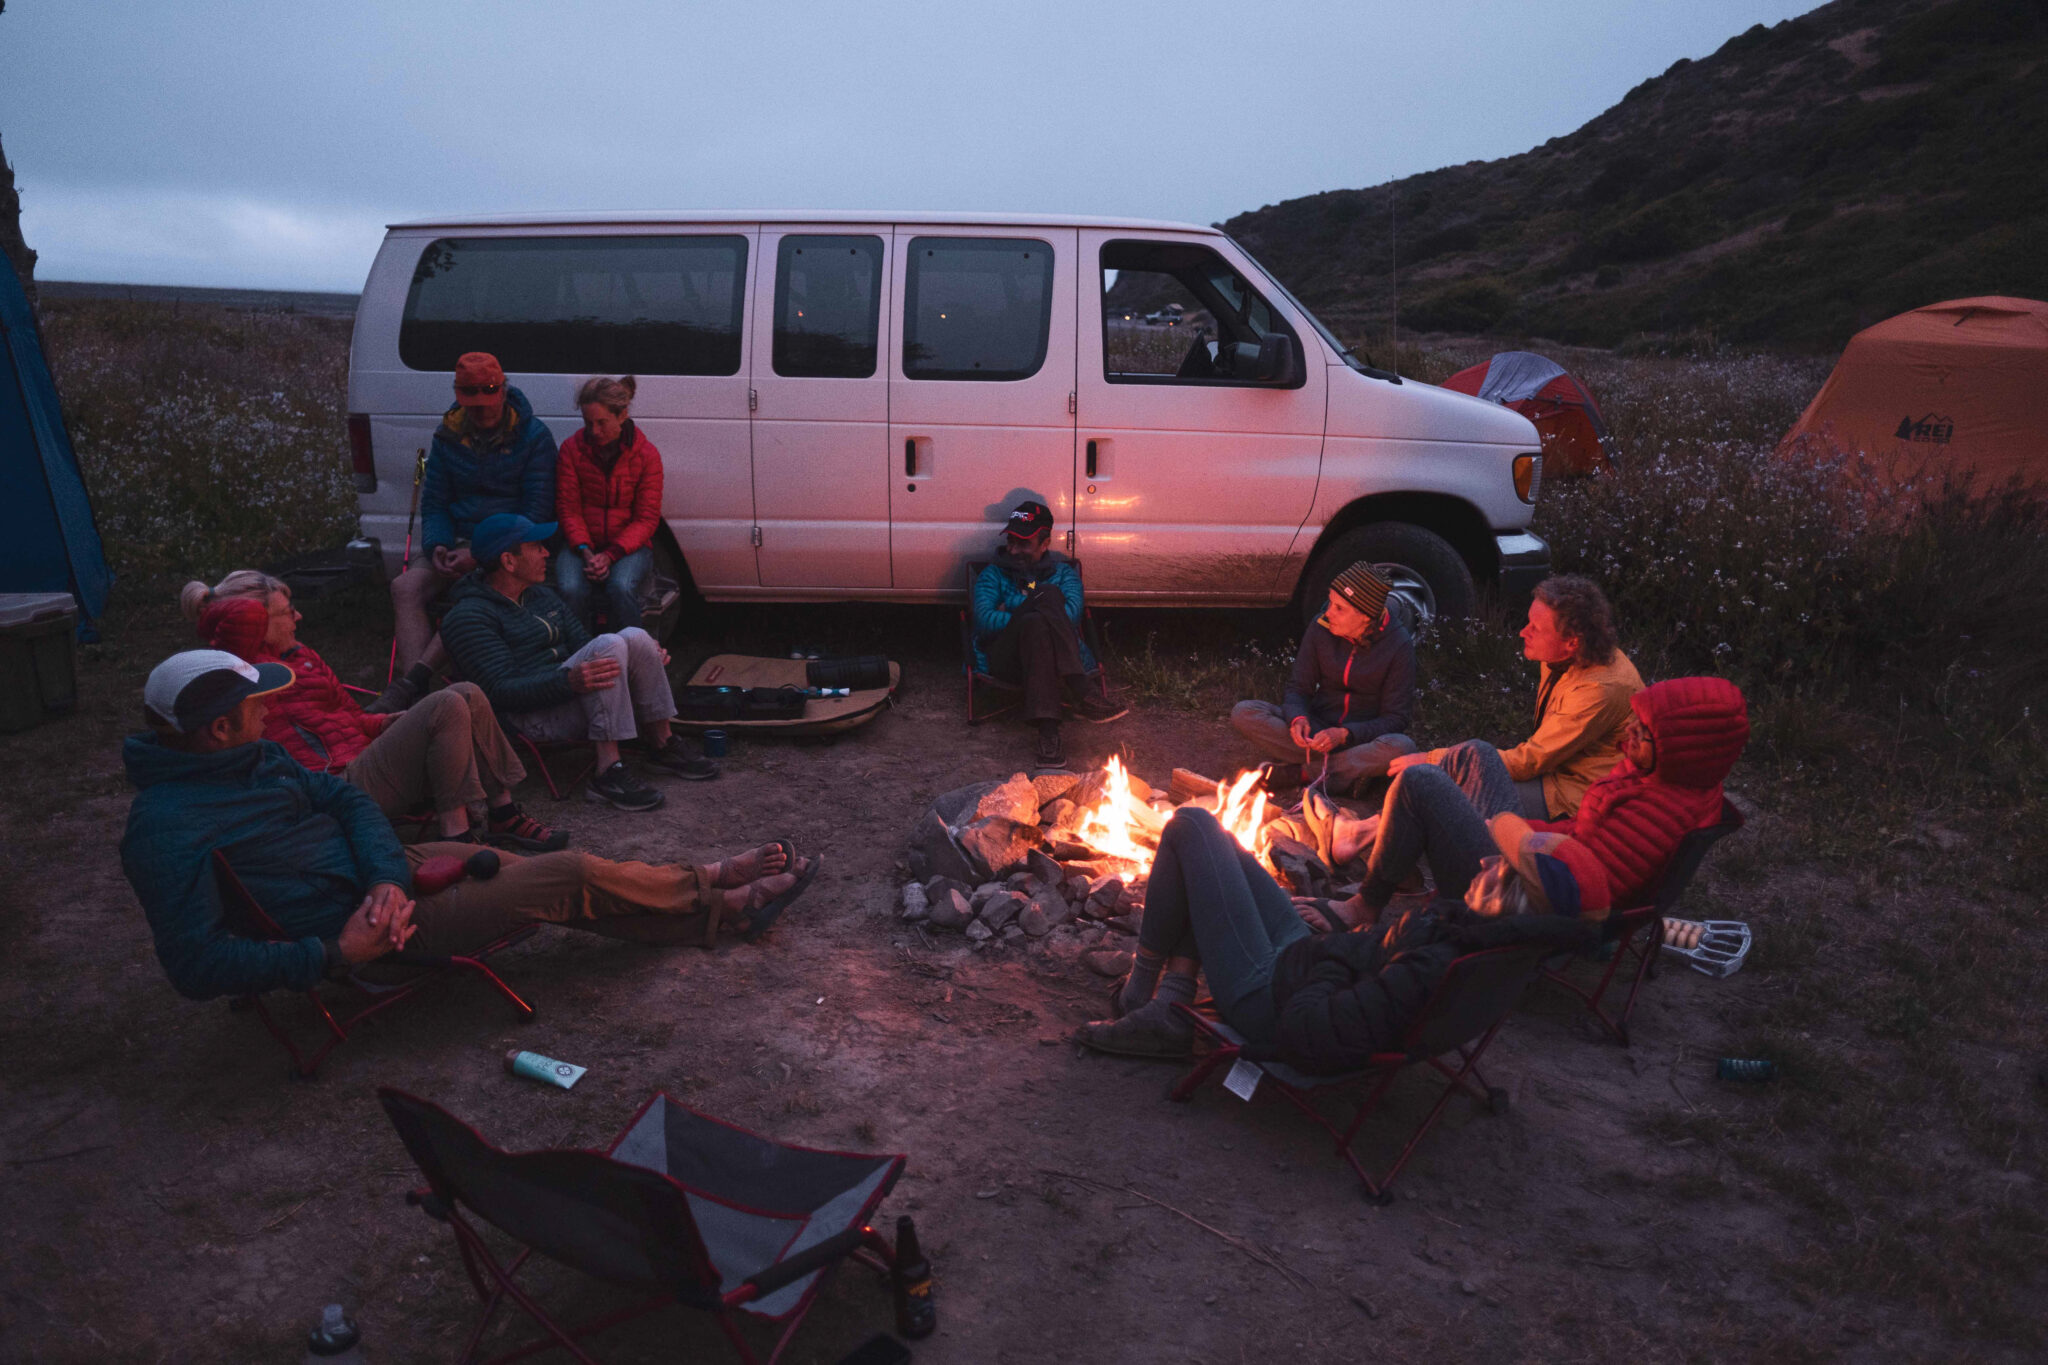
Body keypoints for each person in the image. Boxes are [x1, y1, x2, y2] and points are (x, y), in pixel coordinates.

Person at [120, 651, 819, 1003]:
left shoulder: (255, 758)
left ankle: (719, 909)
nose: (268, 714)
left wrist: (387, 877)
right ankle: (712, 887)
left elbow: (348, 804)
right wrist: (334, 952)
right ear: (216, 728)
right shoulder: (164, 828)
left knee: (529, 873)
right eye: (254, 706)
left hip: (385, 876)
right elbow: (195, 964)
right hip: (363, 933)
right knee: (569, 875)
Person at [1073, 805, 1595, 1063]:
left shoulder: (1440, 959)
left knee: (1189, 826)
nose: (1483, 857)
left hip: (1267, 992)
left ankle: (1148, 996)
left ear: (1510, 893)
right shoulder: (1477, 936)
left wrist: (1329, 962)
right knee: (1217, 848)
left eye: (1497, 862)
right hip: (1303, 958)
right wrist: (1335, 931)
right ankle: (1167, 1004)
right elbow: (1372, 968)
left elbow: (1315, 1027)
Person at [1307, 675, 1750, 931]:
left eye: (1644, 732)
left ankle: (1364, 904)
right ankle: (1377, 845)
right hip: (1534, 859)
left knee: (1421, 782)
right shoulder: (1672, 778)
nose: (1629, 733)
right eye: (1635, 721)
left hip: (1522, 898)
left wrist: (1508, 829)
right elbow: (1580, 841)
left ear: (1684, 750)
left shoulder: (1655, 813)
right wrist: (1530, 830)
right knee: (1476, 753)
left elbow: (1576, 888)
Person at [182, 571, 564, 851]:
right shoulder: (241, 672)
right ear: (257, 621)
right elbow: (239, 639)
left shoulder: (305, 657)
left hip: (367, 764)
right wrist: (236, 611)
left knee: (466, 693)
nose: (298, 618)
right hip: (333, 787)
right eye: (287, 612)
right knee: (446, 702)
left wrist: (384, 723)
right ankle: (457, 838)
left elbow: (350, 715)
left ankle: (503, 813)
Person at [439, 512, 716, 812]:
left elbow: (584, 645)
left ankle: (661, 743)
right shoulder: (469, 617)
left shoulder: (540, 596)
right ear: (508, 561)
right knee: (608, 643)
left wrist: (644, 656)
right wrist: (568, 681)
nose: (547, 553)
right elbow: (499, 691)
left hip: (567, 693)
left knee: (636, 637)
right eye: (536, 547)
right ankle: (607, 772)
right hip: (528, 717)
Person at [372, 352, 559, 714]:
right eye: (472, 405)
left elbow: (536, 511)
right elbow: (436, 500)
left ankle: (411, 685)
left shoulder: (534, 436)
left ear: (503, 392)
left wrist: (480, 553)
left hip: (507, 544)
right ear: (460, 398)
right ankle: (420, 697)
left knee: (475, 594)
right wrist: (437, 544)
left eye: (487, 403)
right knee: (404, 587)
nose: (482, 412)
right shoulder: (449, 435)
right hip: (456, 541)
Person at [1386, 574, 1643, 822]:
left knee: (1453, 795)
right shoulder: (1562, 657)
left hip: (1576, 795)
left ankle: (1368, 831)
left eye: (1535, 628)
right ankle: (1369, 820)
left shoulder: (1600, 689)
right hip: (1553, 772)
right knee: (1450, 782)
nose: (1523, 632)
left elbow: (1531, 760)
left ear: (1572, 643)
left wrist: (1439, 759)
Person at [1230, 561, 1416, 795]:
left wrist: (1344, 735)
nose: (1329, 613)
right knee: (1245, 712)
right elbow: (1298, 688)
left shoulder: (1398, 646)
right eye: (1330, 602)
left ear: (1365, 617)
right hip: (1317, 731)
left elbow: (1395, 719)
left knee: (1402, 748)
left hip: (1360, 740)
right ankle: (1346, 775)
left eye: (1340, 608)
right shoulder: (1321, 628)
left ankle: (1301, 773)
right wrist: (1298, 719)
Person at [970, 500, 1125, 768]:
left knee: (1037, 624)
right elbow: (984, 619)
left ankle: (1049, 734)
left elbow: (1072, 615)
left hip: (1047, 658)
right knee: (1048, 598)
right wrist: (1029, 608)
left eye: (1023, 543)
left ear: (1045, 543)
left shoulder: (1064, 574)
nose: (1014, 549)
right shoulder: (993, 574)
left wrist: (1018, 607)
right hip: (1006, 660)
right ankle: (1081, 689)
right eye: (1011, 541)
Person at [554, 375, 665, 633]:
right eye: (588, 422)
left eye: (602, 423)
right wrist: (586, 551)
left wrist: (611, 554)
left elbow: (646, 518)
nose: (594, 431)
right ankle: (579, 652)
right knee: (571, 588)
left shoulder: (646, 455)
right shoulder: (572, 449)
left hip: (626, 546)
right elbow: (569, 508)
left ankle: (635, 648)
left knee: (621, 586)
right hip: (581, 544)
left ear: (622, 415)